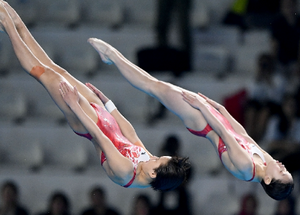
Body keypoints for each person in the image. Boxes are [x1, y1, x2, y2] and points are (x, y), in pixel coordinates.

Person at [0, 1, 190, 191]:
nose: (153, 156)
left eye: (156, 159)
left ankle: (7, 26)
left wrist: (75, 106)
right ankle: (18, 24)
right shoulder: (150, 165)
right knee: (59, 71)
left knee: (43, 73)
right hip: (105, 119)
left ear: (153, 174)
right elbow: (131, 135)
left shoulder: (125, 172)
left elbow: (99, 137)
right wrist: (108, 105)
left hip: (86, 122)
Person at [87, 38, 294, 201]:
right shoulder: (266, 161)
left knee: (155, 87)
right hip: (213, 117)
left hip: (203, 123)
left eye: (282, 172)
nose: (284, 166)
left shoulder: (245, 169)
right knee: (156, 85)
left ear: (268, 179)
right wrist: (220, 108)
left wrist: (203, 106)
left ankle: (112, 56)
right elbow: (241, 134)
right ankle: (113, 56)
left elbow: (224, 134)